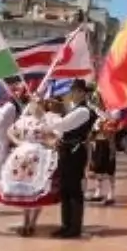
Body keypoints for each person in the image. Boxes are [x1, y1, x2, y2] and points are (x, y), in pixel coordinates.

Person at [0, 101, 63, 236]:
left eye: (37, 105)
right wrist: (19, 142)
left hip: (40, 156)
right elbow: (10, 131)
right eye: (32, 105)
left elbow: (56, 136)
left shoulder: (47, 120)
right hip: (23, 156)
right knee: (25, 187)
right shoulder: (24, 120)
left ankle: (32, 222)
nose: (34, 107)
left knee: (38, 187)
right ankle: (27, 221)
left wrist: (48, 143)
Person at [52, 80, 96, 239]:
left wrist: (48, 115)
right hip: (66, 150)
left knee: (74, 188)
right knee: (65, 189)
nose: (73, 94)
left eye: (76, 91)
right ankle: (65, 224)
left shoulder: (83, 111)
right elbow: (62, 130)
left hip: (75, 151)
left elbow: (62, 125)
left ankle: (75, 226)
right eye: (73, 91)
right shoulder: (74, 109)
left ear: (83, 93)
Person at [87, 110, 118, 206]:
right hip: (98, 142)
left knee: (110, 169)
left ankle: (111, 193)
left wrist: (106, 121)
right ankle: (98, 191)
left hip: (108, 143)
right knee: (97, 168)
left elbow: (113, 128)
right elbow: (93, 130)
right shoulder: (97, 111)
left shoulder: (115, 111)